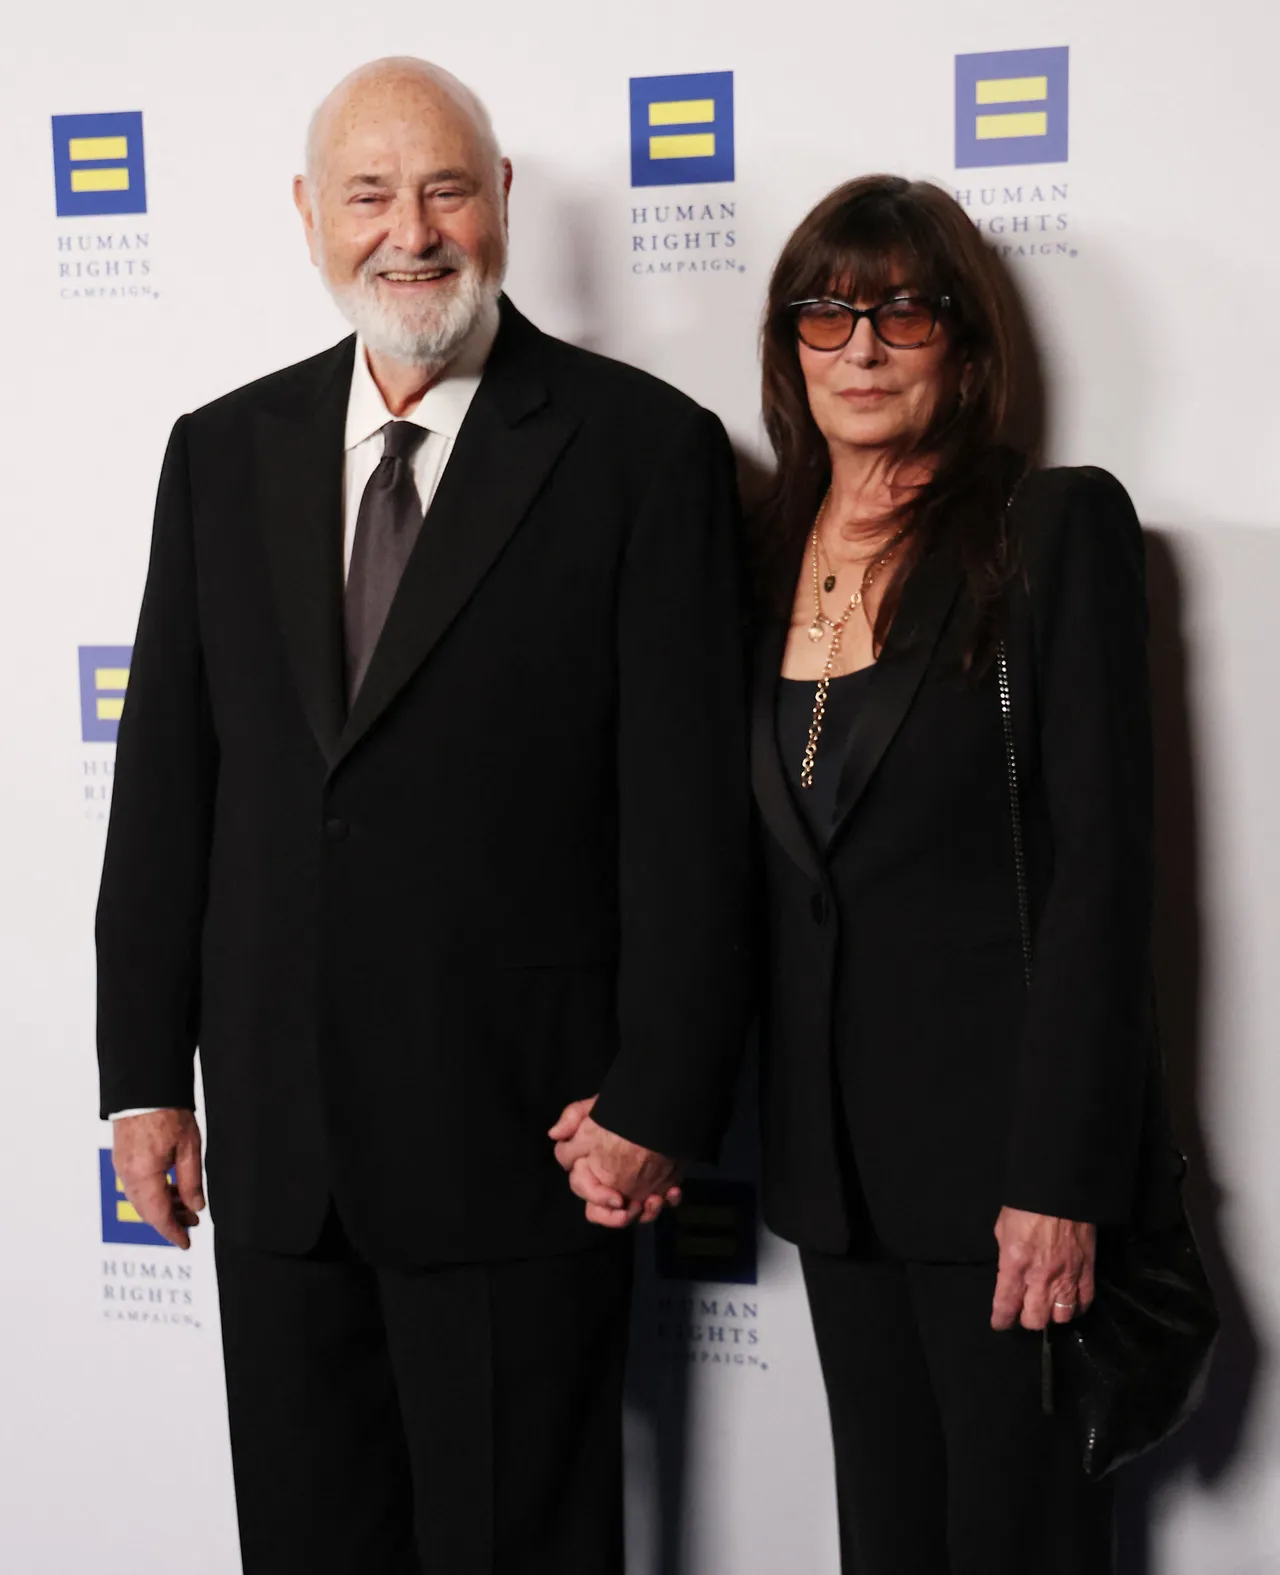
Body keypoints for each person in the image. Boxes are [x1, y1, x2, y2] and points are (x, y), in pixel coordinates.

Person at [96, 56, 751, 1575]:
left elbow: (688, 817)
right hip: (279, 1149)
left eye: (448, 186)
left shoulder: (642, 451)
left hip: (525, 1146)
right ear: (311, 216)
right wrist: (144, 1073)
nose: (413, 229)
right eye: (372, 193)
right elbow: (166, 790)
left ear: (504, 201)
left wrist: (661, 1087)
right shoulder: (221, 451)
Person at [746, 175, 1180, 1573]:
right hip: (834, 1179)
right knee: (885, 1545)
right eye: (826, 313)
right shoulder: (757, 559)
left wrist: (1062, 1173)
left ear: (963, 345)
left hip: (1008, 1184)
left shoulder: (1048, 532)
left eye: (901, 312)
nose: (860, 348)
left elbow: (1104, 876)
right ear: (789, 347)